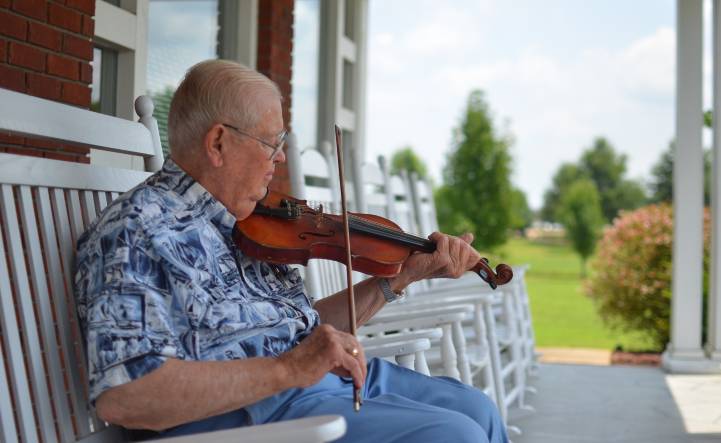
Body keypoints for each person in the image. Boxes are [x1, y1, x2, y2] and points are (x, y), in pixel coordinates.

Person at [74, 59, 508, 442]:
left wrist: (403, 276)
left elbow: (303, 330)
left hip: (317, 389)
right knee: (457, 435)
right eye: (270, 143)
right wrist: (289, 369)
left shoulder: (250, 225)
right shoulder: (137, 230)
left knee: (478, 410)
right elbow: (125, 397)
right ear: (219, 143)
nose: (279, 159)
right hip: (254, 420)